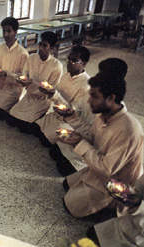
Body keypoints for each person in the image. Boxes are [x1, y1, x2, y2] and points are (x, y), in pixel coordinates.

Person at [58, 72, 144, 219]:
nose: (89, 101)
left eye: (94, 96)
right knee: (66, 184)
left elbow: (107, 169)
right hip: (96, 171)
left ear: (111, 98)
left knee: (69, 206)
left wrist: (79, 143)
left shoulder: (128, 129)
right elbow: (92, 137)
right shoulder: (104, 114)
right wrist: (72, 120)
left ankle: (111, 209)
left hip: (114, 184)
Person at [54, 58, 129, 176]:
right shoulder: (95, 95)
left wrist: (79, 141)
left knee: (66, 171)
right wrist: (71, 116)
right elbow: (81, 114)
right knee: (54, 150)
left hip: (94, 158)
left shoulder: (114, 113)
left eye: (103, 75)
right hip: (82, 138)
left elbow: (99, 147)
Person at [36, 46, 91, 174]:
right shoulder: (66, 75)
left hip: (68, 122)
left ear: (83, 63)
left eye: (74, 61)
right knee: (35, 129)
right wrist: (49, 90)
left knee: (46, 143)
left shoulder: (86, 84)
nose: (69, 63)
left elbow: (73, 111)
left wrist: (55, 95)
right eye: (68, 59)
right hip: (56, 114)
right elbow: (58, 92)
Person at [8, 31, 63, 133]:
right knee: (12, 117)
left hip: (42, 100)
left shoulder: (56, 65)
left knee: (25, 128)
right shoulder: (32, 58)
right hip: (29, 97)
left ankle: (40, 115)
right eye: (40, 44)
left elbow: (51, 89)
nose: (41, 48)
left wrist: (31, 84)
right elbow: (24, 75)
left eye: (45, 46)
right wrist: (23, 81)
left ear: (52, 48)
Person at [87, 168, 144, 247]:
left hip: (141, 239)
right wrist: (129, 193)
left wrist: (138, 206)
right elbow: (139, 188)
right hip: (127, 222)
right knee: (91, 234)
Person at [0, 17, 29, 120]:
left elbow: (23, 77)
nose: (5, 34)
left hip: (13, 89)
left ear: (15, 32)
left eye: (9, 31)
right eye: (4, 31)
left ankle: (10, 105)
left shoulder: (23, 53)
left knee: (0, 115)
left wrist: (7, 74)